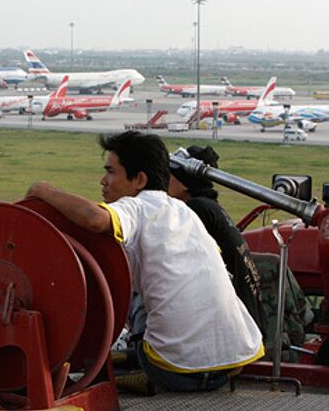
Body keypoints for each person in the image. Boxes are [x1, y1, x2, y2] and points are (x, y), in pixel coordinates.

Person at [26, 131, 263, 392]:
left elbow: (94, 218)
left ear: (139, 180)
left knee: (130, 294)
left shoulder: (138, 207)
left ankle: (132, 368)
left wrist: (43, 190)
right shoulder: (185, 212)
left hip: (171, 369)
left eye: (111, 172)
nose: (103, 181)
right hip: (231, 365)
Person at [167, 145, 266, 337]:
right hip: (247, 324)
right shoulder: (209, 207)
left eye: (168, 175)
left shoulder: (197, 209)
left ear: (186, 183)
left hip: (236, 330)